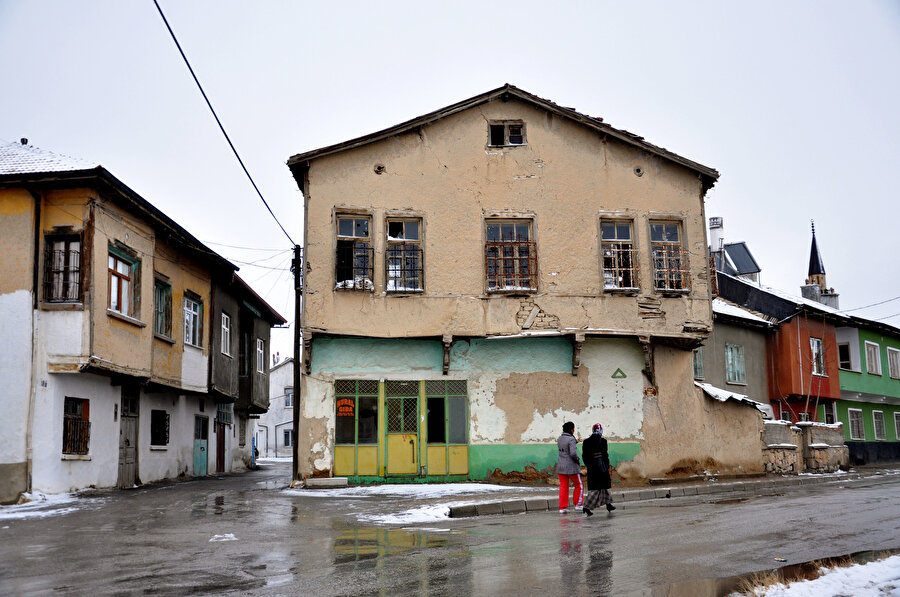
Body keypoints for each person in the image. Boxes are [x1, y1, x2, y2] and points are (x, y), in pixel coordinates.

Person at [581, 422, 616, 516]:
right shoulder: (603, 441)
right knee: (600, 488)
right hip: (602, 468)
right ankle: (586, 507)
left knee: (598, 488)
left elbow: (584, 456)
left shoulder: (586, 441)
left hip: (592, 469)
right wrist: (606, 465)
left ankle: (608, 505)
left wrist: (589, 465)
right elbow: (605, 455)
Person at [556, 421, 583, 513]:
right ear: (572, 430)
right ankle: (578, 504)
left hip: (561, 466)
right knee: (578, 485)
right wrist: (578, 460)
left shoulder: (560, 438)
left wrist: (575, 441)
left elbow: (565, 447)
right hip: (571, 467)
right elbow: (573, 453)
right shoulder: (571, 439)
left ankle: (562, 507)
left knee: (563, 487)